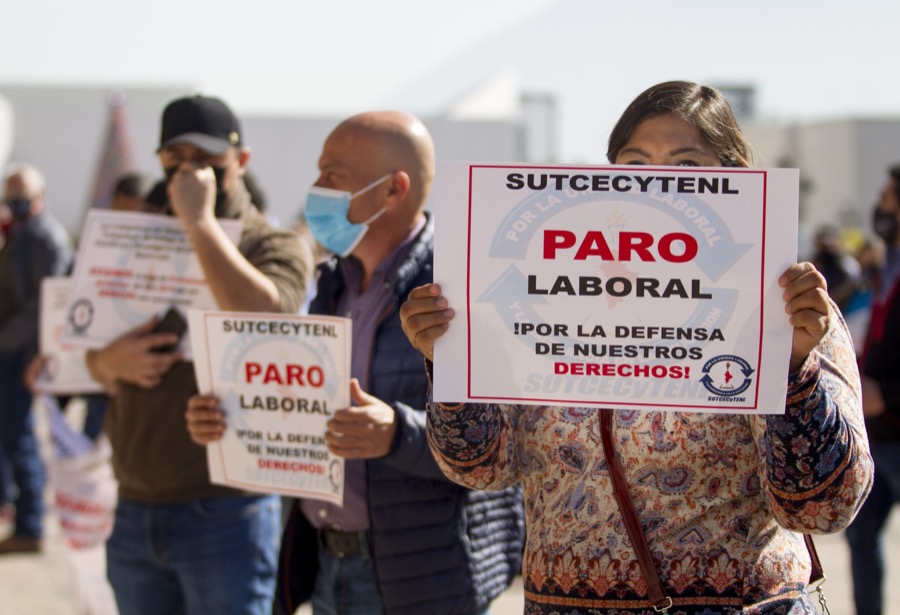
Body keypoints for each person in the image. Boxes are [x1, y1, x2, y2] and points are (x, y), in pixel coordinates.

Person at [399, 81, 874, 614]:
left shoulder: (788, 309)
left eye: (687, 166)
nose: (658, 182)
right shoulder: (542, 302)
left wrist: (792, 371)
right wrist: (452, 363)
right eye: (635, 162)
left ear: (736, 175)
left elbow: (823, 509)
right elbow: (481, 468)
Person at [185, 110, 524, 615]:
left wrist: (396, 434)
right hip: (326, 566)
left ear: (393, 190)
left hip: (420, 577)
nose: (316, 188)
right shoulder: (332, 283)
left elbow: (503, 447)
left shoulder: (462, 290)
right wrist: (233, 418)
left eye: (333, 176)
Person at [85, 95, 314, 615]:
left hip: (224, 509)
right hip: (135, 503)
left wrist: (200, 224)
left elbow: (265, 318)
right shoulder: (139, 237)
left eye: (206, 158)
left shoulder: (271, 243)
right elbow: (88, 351)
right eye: (176, 157)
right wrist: (107, 363)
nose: (190, 171)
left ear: (242, 161)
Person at [0, 163, 74, 553]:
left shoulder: (46, 237)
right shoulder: (18, 233)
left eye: (21, 194)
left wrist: (32, 353)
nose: (15, 201)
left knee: (21, 438)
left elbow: (48, 307)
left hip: (20, 354)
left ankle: (30, 527)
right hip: (9, 349)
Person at [845, 163, 900, 615]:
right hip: (875, 432)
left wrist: (893, 392)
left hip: (895, 420)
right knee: (861, 535)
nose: (880, 209)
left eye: (887, 200)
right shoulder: (883, 269)